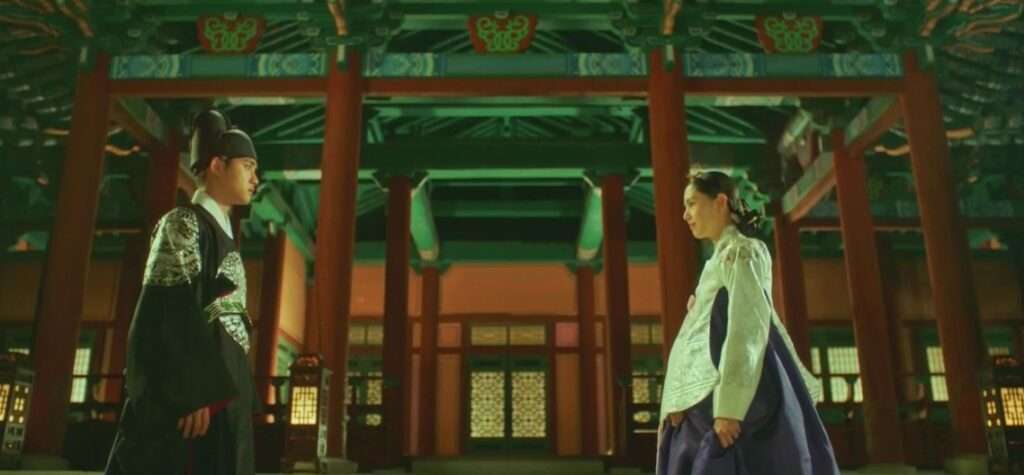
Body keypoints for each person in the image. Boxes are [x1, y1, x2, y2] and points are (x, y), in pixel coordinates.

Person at [106, 110, 260, 475]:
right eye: (248, 166)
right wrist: (192, 391)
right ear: (217, 165)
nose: (256, 179)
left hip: (224, 391)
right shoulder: (184, 223)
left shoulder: (222, 234)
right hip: (193, 400)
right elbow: (168, 307)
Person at [656, 171, 840, 475]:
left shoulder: (743, 251)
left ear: (720, 202)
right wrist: (678, 399)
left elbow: (746, 328)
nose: (685, 215)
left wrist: (730, 408)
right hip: (705, 392)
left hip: (741, 391)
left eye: (691, 204)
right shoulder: (718, 260)